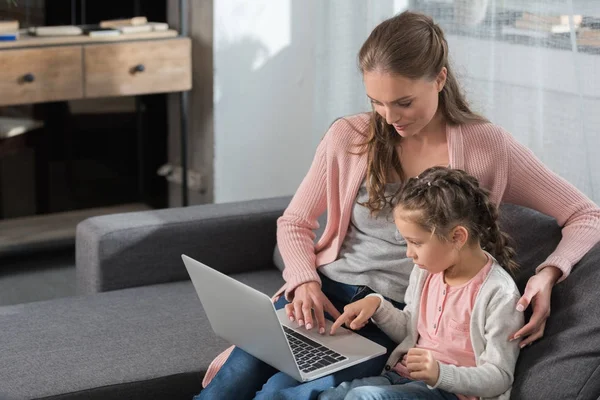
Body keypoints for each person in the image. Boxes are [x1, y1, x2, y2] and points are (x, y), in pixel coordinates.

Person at [196, 10, 600, 400]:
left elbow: (586, 215)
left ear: (440, 78)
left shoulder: (487, 147)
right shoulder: (349, 137)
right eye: (377, 102)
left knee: (282, 395)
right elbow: (295, 222)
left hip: (385, 313)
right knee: (230, 383)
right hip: (320, 293)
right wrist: (304, 281)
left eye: (404, 102)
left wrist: (546, 275)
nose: (390, 117)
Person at [319, 166, 523, 400]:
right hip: (401, 378)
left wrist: (439, 373)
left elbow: (499, 376)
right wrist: (377, 305)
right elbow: (411, 329)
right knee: (331, 397)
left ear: (457, 237)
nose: (409, 254)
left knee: (364, 398)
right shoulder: (426, 272)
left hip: (448, 393)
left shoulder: (498, 294)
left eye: (415, 243)